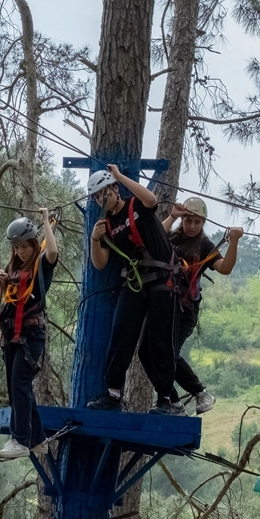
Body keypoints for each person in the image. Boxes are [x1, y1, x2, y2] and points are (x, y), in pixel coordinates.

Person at [85, 165, 178, 415]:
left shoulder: (136, 206)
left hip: (161, 280)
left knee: (159, 341)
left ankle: (166, 399)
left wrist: (119, 176)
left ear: (115, 190)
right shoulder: (105, 226)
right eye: (95, 197)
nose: (99, 200)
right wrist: (95, 239)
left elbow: (151, 199)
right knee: (121, 333)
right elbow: (100, 262)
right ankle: (114, 393)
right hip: (136, 282)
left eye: (103, 193)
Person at [161, 197, 242, 414]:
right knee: (145, 353)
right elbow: (155, 237)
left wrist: (233, 241)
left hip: (185, 309)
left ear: (203, 223)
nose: (192, 226)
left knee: (169, 352)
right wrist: (172, 216)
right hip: (163, 305)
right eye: (188, 221)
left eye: (197, 222)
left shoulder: (204, 245)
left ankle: (200, 393)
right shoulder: (171, 237)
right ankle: (173, 402)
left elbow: (224, 268)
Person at [0, 209, 59, 460]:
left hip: (31, 334)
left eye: (25, 247)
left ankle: (20, 439)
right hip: (12, 334)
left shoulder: (41, 264)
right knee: (17, 386)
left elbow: (52, 252)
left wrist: (45, 222)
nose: (21, 252)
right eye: (17, 247)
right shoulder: (14, 266)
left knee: (19, 383)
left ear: (33, 243)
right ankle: (37, 438)